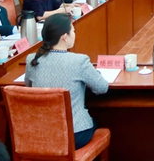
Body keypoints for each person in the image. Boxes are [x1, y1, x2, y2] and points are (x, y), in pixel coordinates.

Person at [25, 14, 108, 149]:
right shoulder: (79, 61)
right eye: (73, 31)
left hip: (41, 133)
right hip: (73, 135)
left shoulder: (32, 59)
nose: (74, 34)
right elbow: (102, 87)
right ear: (64, 36)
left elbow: (28, 87)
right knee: (98, 120)